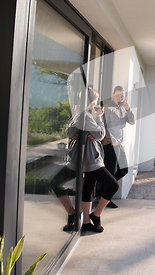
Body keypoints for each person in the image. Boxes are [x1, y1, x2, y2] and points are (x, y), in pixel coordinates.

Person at [50, 87, 118, 232]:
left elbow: (71, 131)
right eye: (95, 99)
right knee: (113, 186)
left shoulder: (82, 115)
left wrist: (81, 129)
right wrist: (99, 116)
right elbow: (99, 134)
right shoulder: (85, 115)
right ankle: (92, 215)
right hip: (89, 161)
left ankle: (86, 222)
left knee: (87, 189)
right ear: (91, 100)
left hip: (86, 160)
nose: (96, 103)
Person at [100, 85, 135, 208]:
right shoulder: (107, 107)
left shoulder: (122, 108)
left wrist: (128, 109)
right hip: (110, 144)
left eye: (123, 95)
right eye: (119, 95)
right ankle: (105, 198)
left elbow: (132, 121)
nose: (121, 97)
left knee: (124, 170)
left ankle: (103, 191)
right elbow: (103, 126)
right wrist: (113, 140)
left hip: (120, 145)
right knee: (110, 172)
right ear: (113, 94)